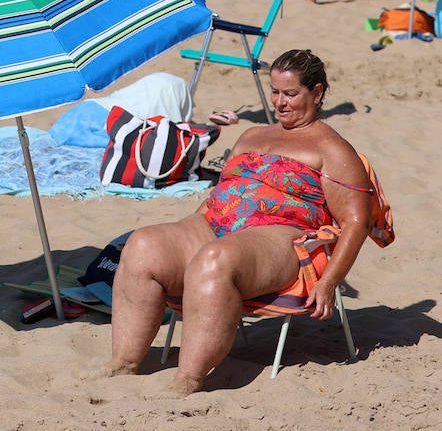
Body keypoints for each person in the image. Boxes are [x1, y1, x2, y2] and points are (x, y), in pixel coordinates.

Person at [107, 49, 375, 394]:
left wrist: (330, 281)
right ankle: (123, 364)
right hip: (214, 224)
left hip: (280, 238)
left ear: (318, 93)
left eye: (290, 94)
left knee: (215, 260)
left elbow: (357, 221)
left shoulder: (332, 149)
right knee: (143, 244)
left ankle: (187, 379)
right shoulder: (252, 136)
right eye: (275, 91)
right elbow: (226, 189)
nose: (279, 102)